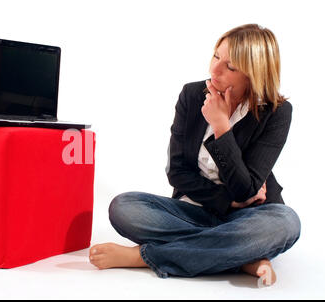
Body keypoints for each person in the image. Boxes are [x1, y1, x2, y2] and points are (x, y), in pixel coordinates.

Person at [89, 24, 301, 286]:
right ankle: (242, 254)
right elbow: (177, 172)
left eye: (231, 67)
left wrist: (222, 126)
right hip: (193, 209)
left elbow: (245, 191)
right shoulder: (192, 95)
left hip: (251, 216)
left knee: (286, 223)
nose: (215, 70)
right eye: (216, 56)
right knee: (124, 207)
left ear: (254, 74)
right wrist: (228, 203)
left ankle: (147, 257)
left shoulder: (277, 113)